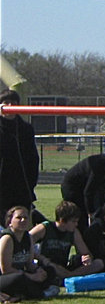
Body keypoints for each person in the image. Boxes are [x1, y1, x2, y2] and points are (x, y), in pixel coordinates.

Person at [1, 205, 56, 301]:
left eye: (25, 218)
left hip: (22, 275)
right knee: (20, 278)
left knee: (49, 271)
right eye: (19, 218)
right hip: (7, 277)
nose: (23, 220)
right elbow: (6, 270)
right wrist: (32, 277)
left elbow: (29, 263)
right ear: (10, 222)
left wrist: (38, 270)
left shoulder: (28, 237)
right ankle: (40, 293)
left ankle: (25, 293)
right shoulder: (7, 239)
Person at [0, 89, 40, 221]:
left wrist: (31, 185)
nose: (10, 107)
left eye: (13, 103)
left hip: (21, 187)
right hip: (2, 186)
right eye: (6, 103)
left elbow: (33, 159)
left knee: (20, 223)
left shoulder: (25, 129)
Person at [29, 200, 95, 279]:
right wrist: (40, 258)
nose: (76, 224)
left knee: (98, 264)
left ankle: (69, 276)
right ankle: (69, 277)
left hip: (63, 266)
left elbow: (85, 252)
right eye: (73, 221)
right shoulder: (45, 228)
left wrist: (86, 258)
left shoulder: (73, 232)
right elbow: (25, 243)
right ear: (62, 220)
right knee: (53, 267)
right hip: (45, 264)